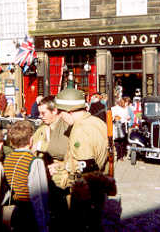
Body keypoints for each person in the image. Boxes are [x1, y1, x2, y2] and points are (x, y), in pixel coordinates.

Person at [48, 88, 114, 231]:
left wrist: (64, 176)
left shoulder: (79, 130)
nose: (60, 117)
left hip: (84, 195)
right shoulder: (98, 122)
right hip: (99, 190)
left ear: (69, 111)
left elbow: (86, 169)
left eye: (61, 112)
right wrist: (63, 165)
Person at [32, 96, 70, 232]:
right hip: (48, 181)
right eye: (39, 113)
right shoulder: (44, 128)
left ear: (54, 111)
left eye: (44, 113)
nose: (40, 116)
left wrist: (41, 145)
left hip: (62, 182)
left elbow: (63, 150)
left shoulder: (64, 126)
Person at [3, 120, 49, 232]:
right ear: (31, 140)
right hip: (30, 214)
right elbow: (39, 196)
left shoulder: (8, 159)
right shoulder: (34, 162)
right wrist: (43, 225)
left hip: (15, 210)